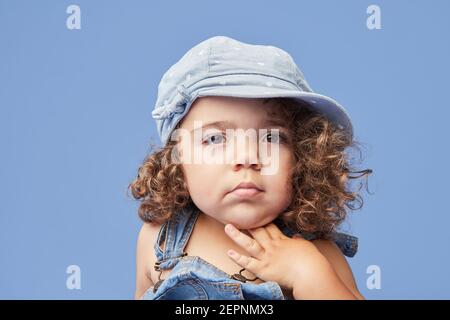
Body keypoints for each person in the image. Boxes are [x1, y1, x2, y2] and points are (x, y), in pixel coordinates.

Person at [128, 36, 372, 300]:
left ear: (304, 157)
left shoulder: (316, 252)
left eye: (271, 138)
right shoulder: (158, 240)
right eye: (215, 138)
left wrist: (307, 273)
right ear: (177, 162)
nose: (247, 158)